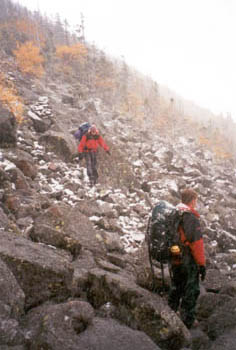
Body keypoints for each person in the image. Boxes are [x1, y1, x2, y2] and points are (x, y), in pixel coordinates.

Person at [168, 188, 206, 329]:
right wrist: (201, 265)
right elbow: (196, 244)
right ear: (193, 200)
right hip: (187, 257)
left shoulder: (175, 213)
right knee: (191, 288)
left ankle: (170, 312)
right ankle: (187, 320)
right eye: (195, 199)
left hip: (174, 254)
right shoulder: (190, 217)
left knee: (177, 284)